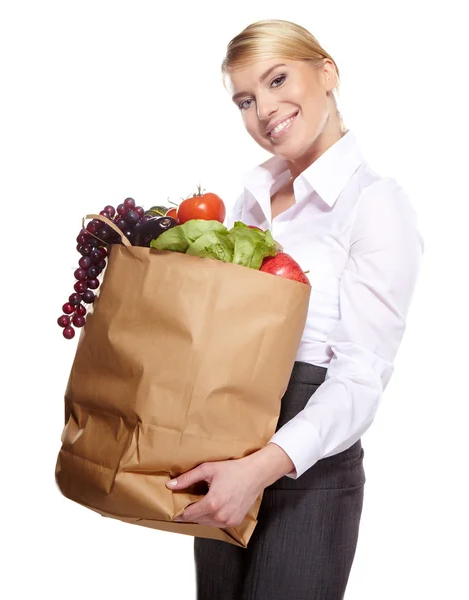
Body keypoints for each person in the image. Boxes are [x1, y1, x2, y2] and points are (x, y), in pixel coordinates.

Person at [165, 19, 424, 599]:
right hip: (226, 451)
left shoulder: (375, 204)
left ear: (327, 72)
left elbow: (361, 379)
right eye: (246, 100)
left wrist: (257, 469)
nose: (265, 110)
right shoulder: (247, 205)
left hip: (310, 468)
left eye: (278, 79)